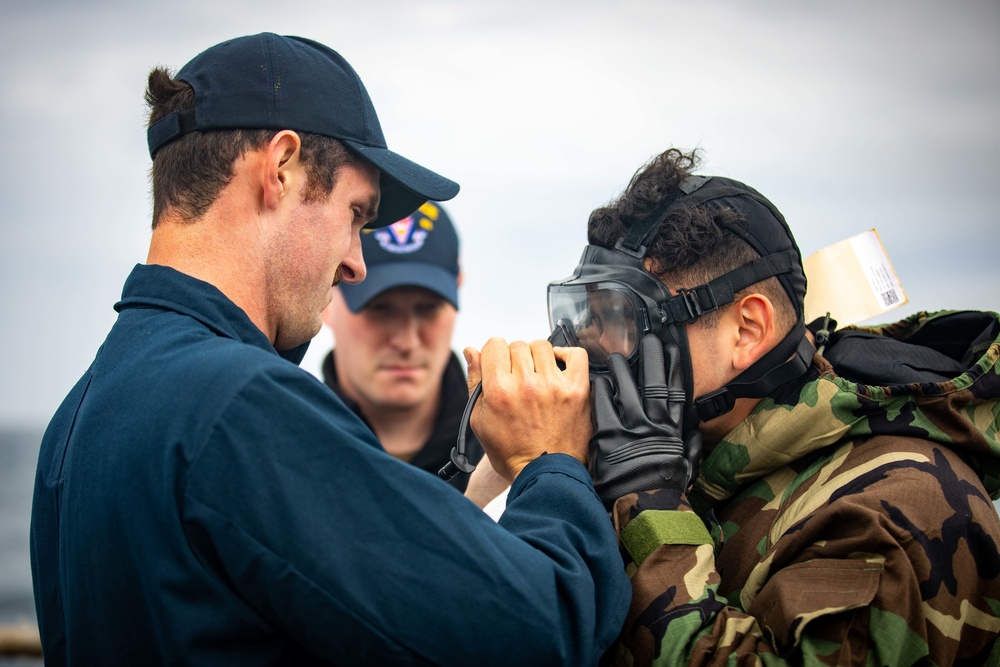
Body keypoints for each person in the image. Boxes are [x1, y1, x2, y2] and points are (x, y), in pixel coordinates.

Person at [29, 33, 630, 666]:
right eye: (356, 215)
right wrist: (552, 461)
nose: (355, 264)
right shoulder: (241, 406)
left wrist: (464, 506)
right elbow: (540, 632)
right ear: (281, 167)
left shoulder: (81, 415)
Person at [565, 147, 1000, 665]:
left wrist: (649, 505)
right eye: (586, 320)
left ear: (747, 330)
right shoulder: (697, 458)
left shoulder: (904, 504)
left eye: (622, 320)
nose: (589, 351)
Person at [321, 201, 482, 491]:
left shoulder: (509, 461)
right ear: (324, 298)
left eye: (428, 308)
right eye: (380, 308)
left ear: (459, 286)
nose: (407, 342)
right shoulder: (283, 452)